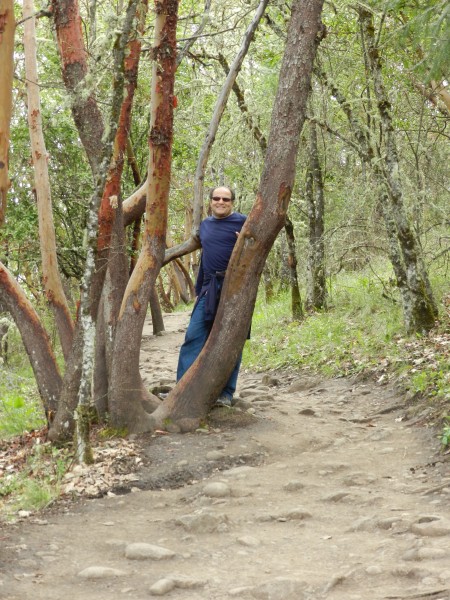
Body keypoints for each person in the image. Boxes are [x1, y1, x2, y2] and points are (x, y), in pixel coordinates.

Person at [176, 185, 246, 407]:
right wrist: (200, 290)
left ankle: (226, 393)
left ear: (232, 202)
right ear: (210, 201)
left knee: (232, 340)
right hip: (209, 289)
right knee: (193, 336)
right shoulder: (205, 225)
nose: (221, 202)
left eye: (226, 199)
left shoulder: (243, 222)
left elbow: (259, 248)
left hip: (234, 289)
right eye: (217, 198)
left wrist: (245, 242)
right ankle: (182, 388)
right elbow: (206, 256)